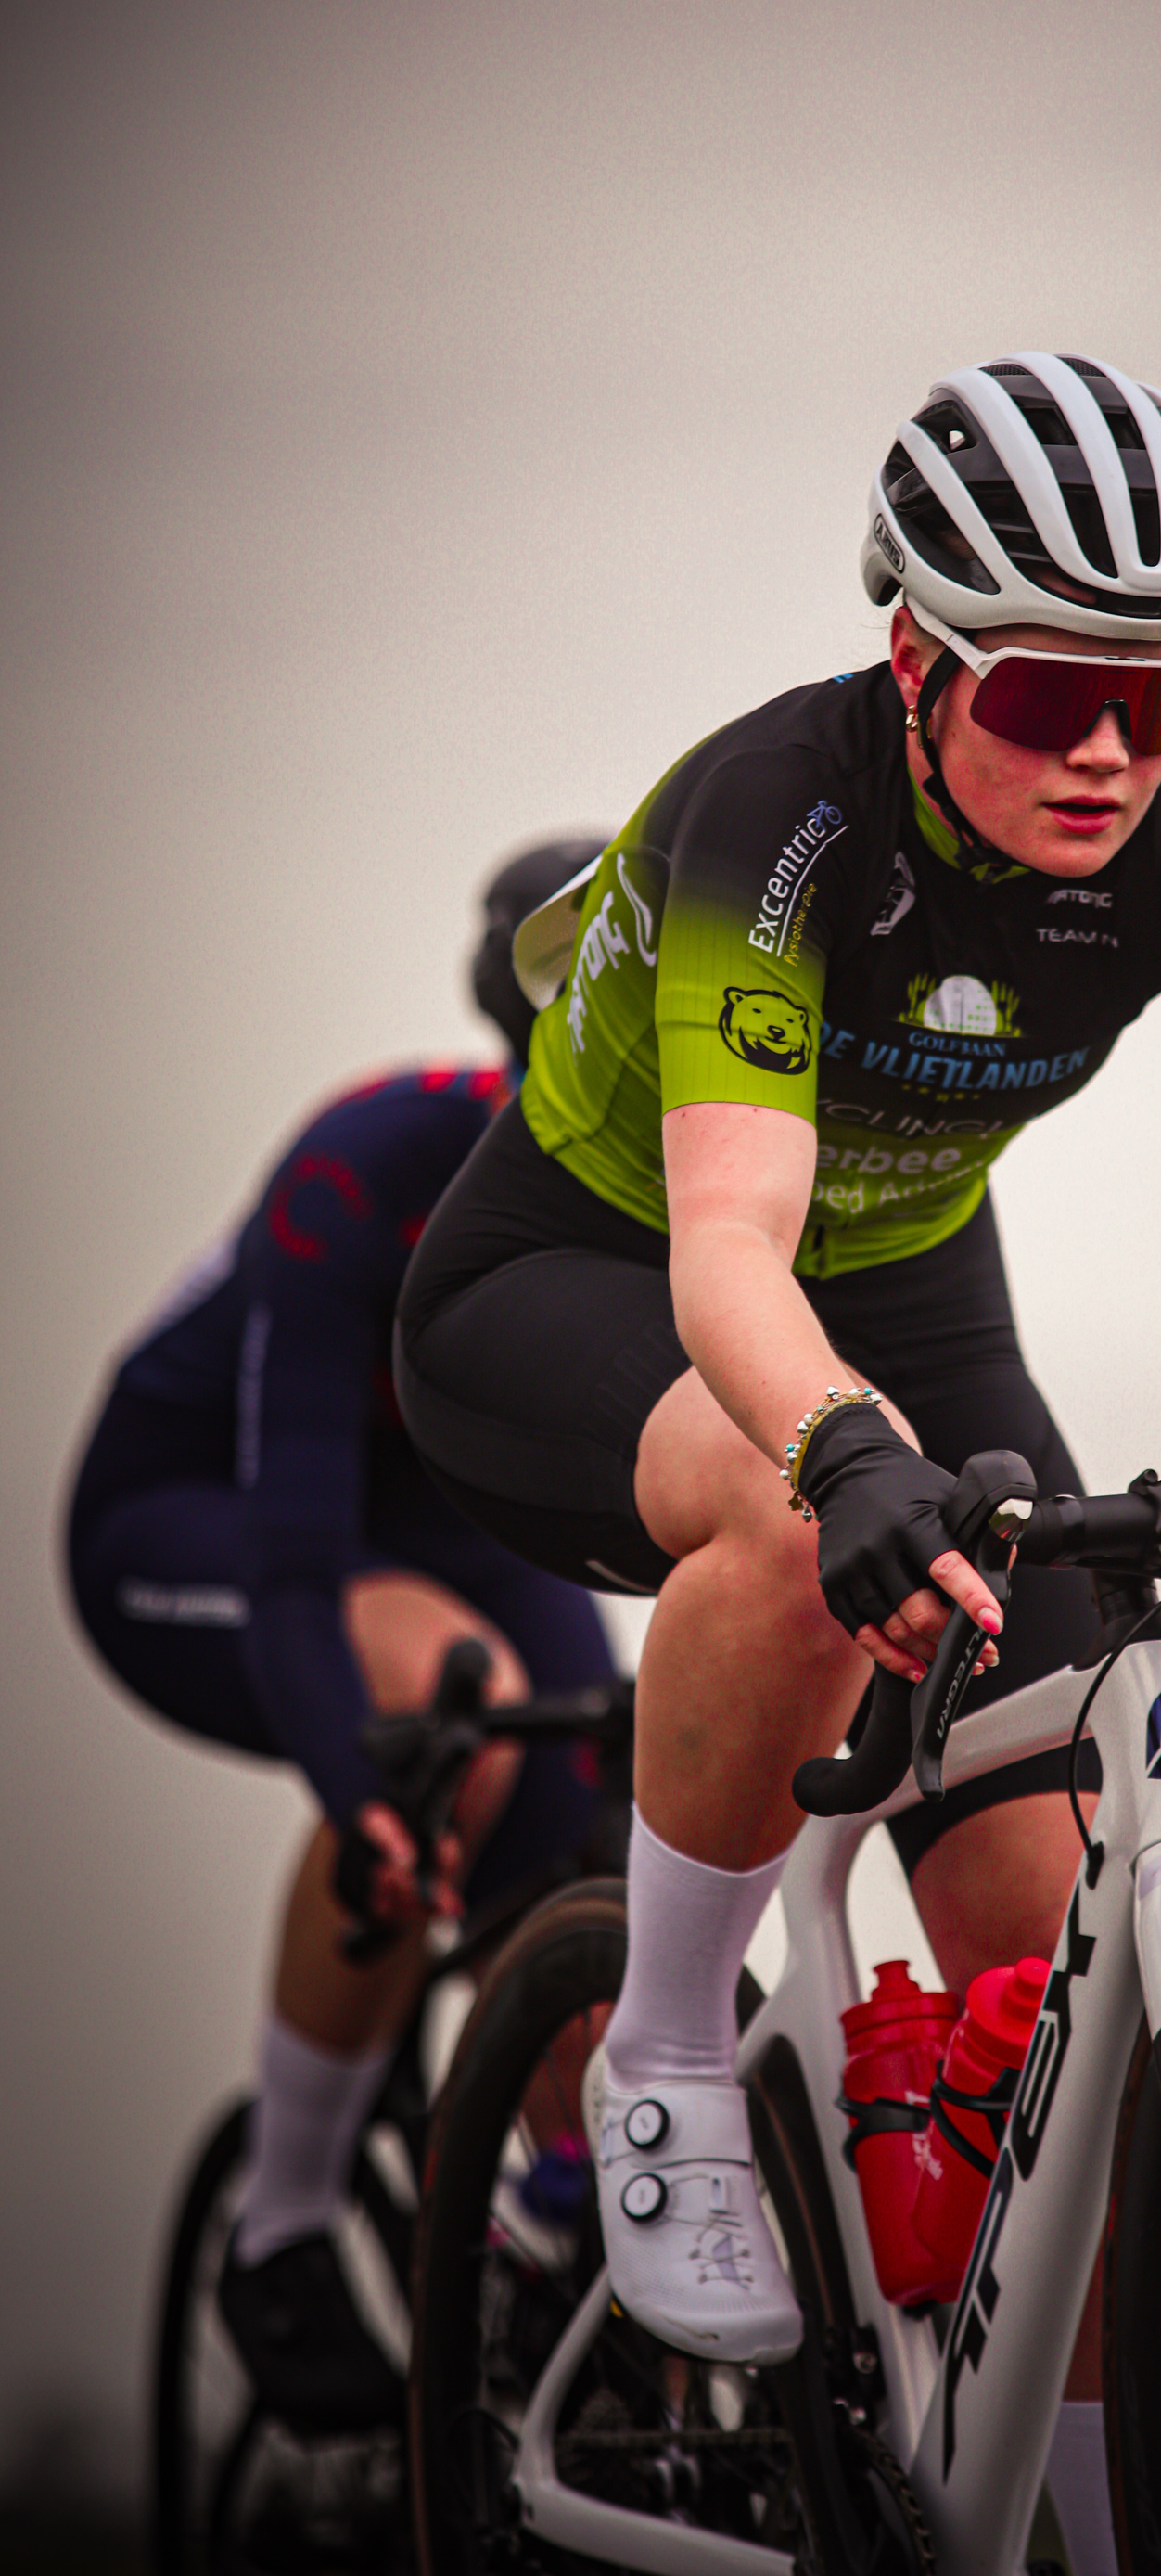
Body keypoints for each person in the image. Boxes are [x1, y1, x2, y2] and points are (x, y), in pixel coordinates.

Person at [393, 353, 1161, 2574]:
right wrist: (842, 1447)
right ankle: (664, 2056)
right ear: (916, 657)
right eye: (1053, 691)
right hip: (583, 1281)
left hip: (914, 1297)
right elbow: (733, 1248)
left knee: (1037, 2001)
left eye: (1159, 706)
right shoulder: (774, 817)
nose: (1104, 756)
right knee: (796, 1527)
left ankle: (1049, 2519)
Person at [64, 838, 618, 2434]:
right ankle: (285, 2219)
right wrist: (365, 1789)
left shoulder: (688, 1189)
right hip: (207, 1519)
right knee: (445, 1703)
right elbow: (306, 1561)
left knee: (585, 1803)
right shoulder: (366, 1165)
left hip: (440, 1533)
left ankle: (550, 2236)